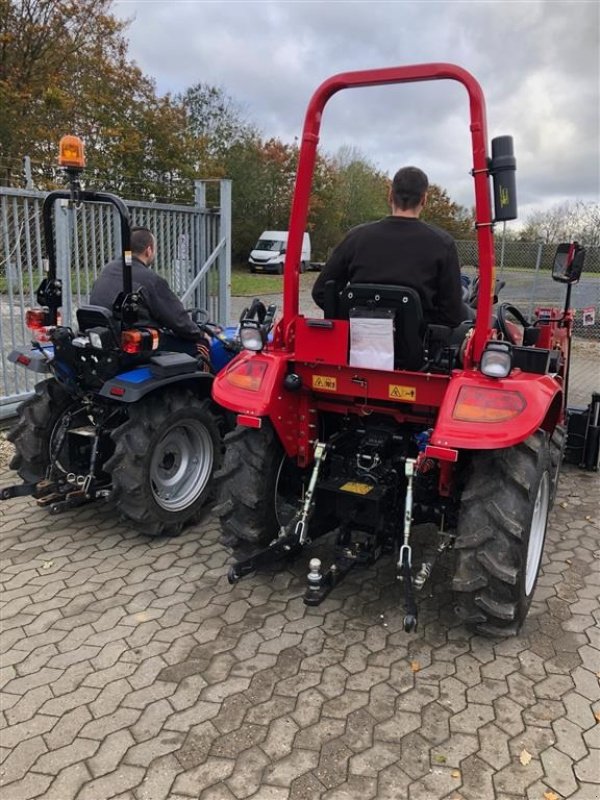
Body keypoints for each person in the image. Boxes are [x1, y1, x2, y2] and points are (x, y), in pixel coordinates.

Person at [312, 166, 471, 328]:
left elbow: (321, 292)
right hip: (418, 342)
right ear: (424, 199)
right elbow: (452, 315)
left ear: (390, 195)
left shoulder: (356, 237)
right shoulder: (442, 244)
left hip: (359, 338)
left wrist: (353, 316)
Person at [90, 226, 211, 363]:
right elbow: (177, 319)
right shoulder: (150, 280)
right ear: (149, 250)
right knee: (201, 346)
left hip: (107, 343)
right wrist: (200, 333)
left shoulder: (107, 270)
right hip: (137, 348)